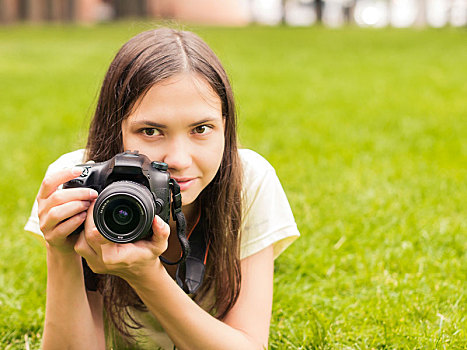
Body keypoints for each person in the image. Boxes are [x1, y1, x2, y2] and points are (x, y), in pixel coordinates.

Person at [24, 27, 299, 350]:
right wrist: (61, 252)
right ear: (117, 130)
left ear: (226, 126)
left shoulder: (247, 180)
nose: (179, 160)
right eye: (151, 131)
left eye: (201, 129)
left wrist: (145, 274)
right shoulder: (76, 183)